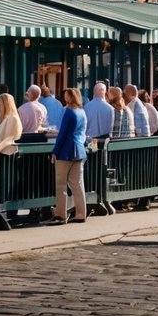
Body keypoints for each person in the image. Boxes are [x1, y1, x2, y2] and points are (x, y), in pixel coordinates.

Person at [49, 88, 87, 224]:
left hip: (65, 151)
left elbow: (62, 134)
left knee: (60, 184)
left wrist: (55, 151)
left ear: (71, 98)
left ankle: (61, 215)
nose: (65, 98)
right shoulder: (82, 112)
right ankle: (81, 214)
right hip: (79, 150)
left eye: (67, 96)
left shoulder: (69, 112)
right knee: (77, 184)